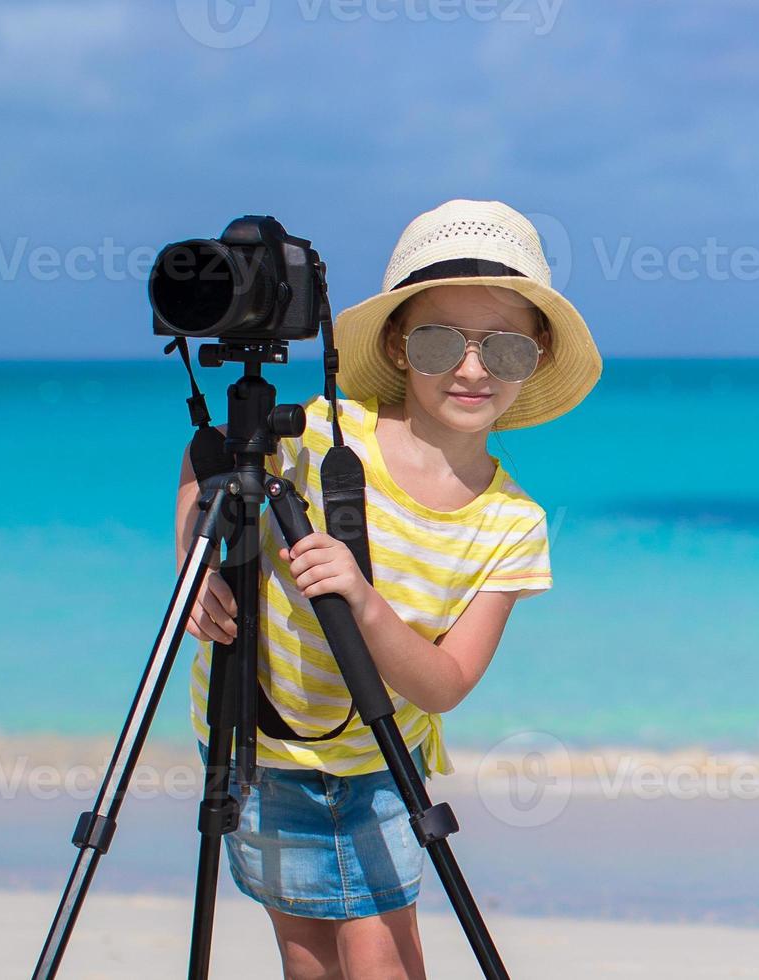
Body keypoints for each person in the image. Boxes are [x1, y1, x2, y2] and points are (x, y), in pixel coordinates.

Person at [174, 199, 601, 979]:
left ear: (536, 356)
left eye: (503, 350)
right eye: (442, 342)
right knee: (306, 960)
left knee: (383, 964)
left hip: (379, 762)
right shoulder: (323, 431)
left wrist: (364, 603)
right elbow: (211, 462)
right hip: (257, 741)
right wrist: (193, 567)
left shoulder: (512, 523)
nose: (472, 370)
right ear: (401, 345)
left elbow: (445, 685)